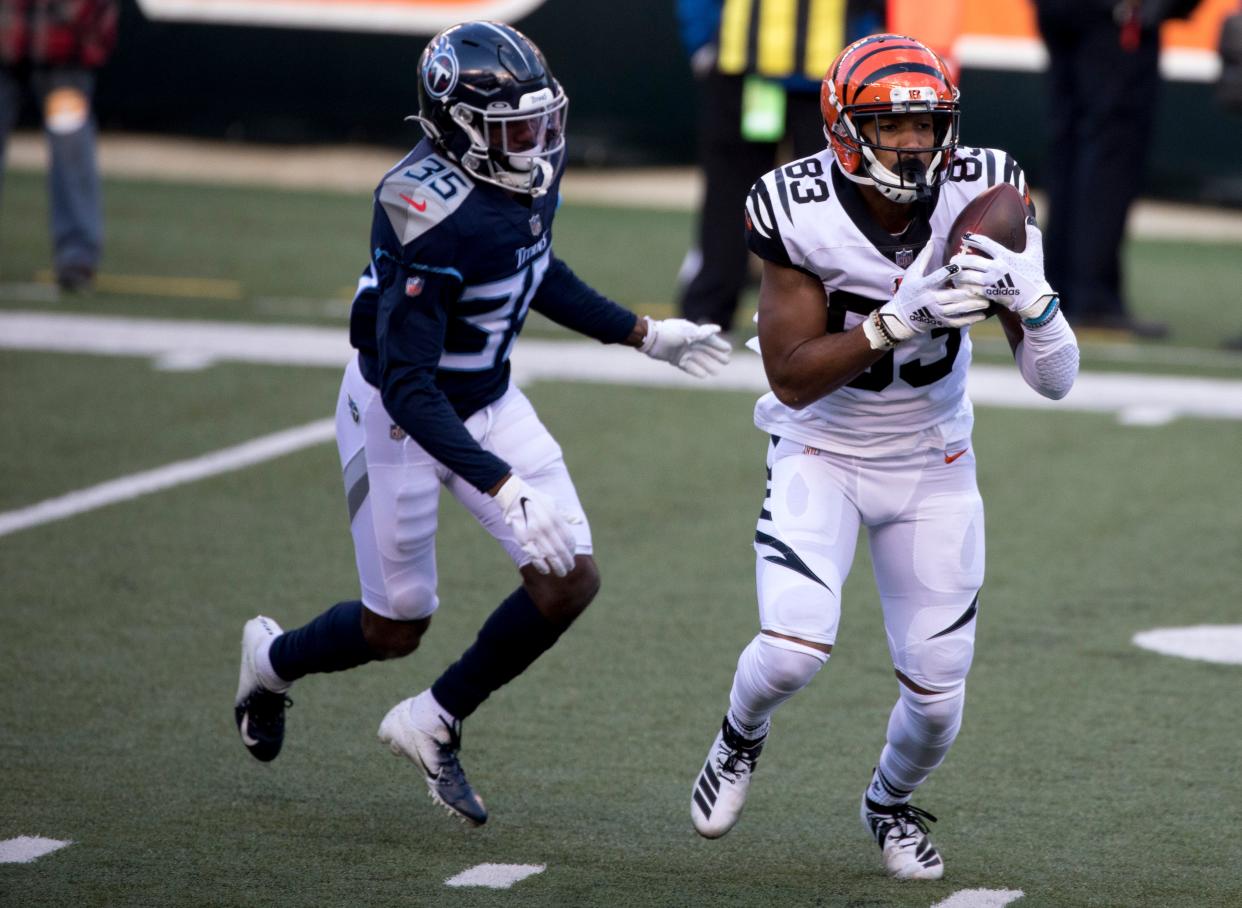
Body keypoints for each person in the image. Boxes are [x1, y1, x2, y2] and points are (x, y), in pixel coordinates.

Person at [233, 20, 731, 827]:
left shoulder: (528, 168)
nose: (535, 140)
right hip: (396, 416)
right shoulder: (420, 206)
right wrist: (501, 487)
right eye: (512, 127)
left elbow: (531, 266)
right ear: (455, 127)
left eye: (540, 120)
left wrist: (645, 334)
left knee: (570, 576)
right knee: (396, 624)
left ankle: (433, 719)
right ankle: (270, 660)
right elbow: (406, 381)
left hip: (489, 399)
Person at [689, 34, 1079, 880]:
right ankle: (738, 736)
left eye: (926, 125)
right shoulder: (794, 206)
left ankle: (888, 803)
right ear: (840, 127)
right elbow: (791, 380)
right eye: (890, 125)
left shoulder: (988, 192)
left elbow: (1054, 381)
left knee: (938, 700)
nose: (912, 143)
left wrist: (1037, 304)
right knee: (793, 650)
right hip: (822, 448)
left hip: (933, 458)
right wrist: (891, 322)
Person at [675, 0, 884, 335]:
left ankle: (845, 310)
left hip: (825, 80)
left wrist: (861, 52)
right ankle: (707, 311)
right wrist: (704, 41)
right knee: (731, 194)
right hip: (747, 72)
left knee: (835, 197)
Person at [1034, 0, 1204, 338]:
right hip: (1118, 17)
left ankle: (1056, 290)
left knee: (1069, 145)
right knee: (1110, 150)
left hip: (1062, 11)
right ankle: (1092, 296)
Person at [0, 0, 117, 292]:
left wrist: (82, 19)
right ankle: (77, 251)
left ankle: (77, 255)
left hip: (64, 43)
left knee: (71, 148)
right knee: (71, 146)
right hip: (9, 30)